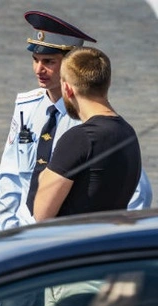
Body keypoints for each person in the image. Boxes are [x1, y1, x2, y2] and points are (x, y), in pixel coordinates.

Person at [0, 10, 152, 230]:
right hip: (23, 232)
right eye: (35, 60)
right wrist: (8, 229)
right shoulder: (26, 107)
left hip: (64, 235)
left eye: (49, 61)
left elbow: (137, 191)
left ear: (71, 64)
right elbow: (10, 176)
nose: (39, 69)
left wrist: (116, 235)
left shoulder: (91, 121)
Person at [33, 47, 141, 221]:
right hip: (107, 235)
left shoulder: (79, 138)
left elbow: (41, 214)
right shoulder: (127, 132)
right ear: (107, 83)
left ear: (67, 89)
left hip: (73, 236)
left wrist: (43, 177)